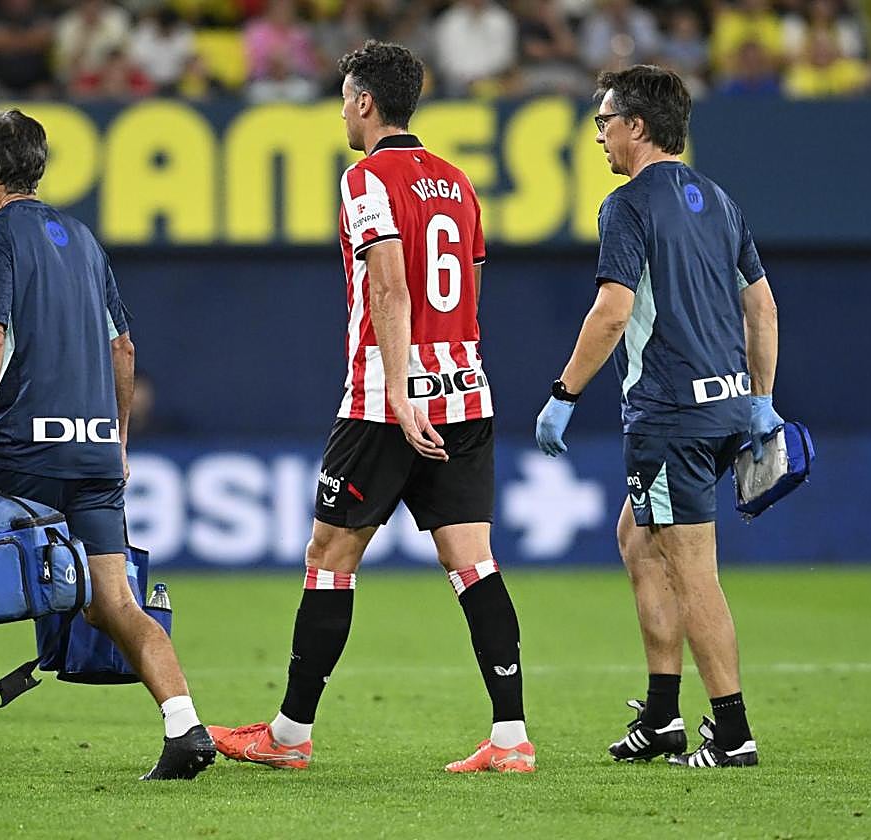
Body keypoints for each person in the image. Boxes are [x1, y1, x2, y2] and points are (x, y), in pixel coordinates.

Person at [209, 40, 535, 775]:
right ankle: (511, 738)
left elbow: (388, 286)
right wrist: (441, 370)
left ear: (363, 101)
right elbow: (470, 292)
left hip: (386, 403)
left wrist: (398, 386)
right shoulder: (458, 183)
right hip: (466, 390)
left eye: (344, 96)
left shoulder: (365, 180)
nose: (342, 109)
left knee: (329, 557)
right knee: (473, 562)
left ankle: (289, 735)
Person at [0, 109, 215, 782]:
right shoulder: (84, 240)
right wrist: (115, 438)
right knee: (116, 601)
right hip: (92, 453)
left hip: (21, 450)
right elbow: (124, 346)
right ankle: (186, 729)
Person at [534, 65, 782, 769]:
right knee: (637, 539)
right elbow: (760, 305)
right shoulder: (721, 201)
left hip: (670, 414)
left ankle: (733, 733)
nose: (601, 136)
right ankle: (665, 718)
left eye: (605, 121)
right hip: (727, 402)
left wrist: (564, 393)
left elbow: (612, 311)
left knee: (690, 569)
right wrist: (760, 398)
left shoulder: (627, 205)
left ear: (637, 127)